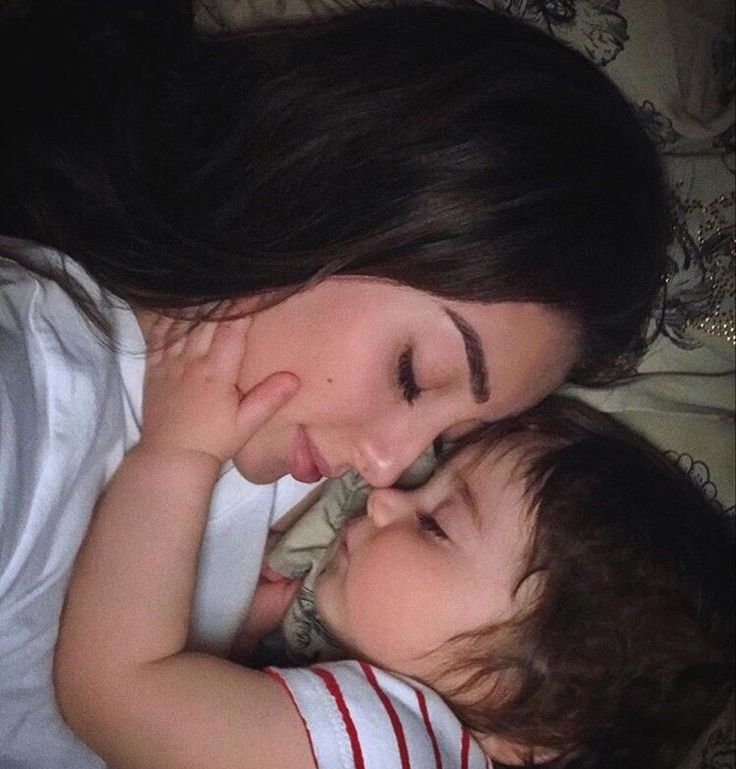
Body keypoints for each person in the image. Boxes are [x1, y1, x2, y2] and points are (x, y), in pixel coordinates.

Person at [0, 1, 670, 766]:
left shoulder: (262, 436)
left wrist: (216, 637)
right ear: (331, 190)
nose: (382, 469)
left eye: (446, 440)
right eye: (413, 375)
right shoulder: (27, 402)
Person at [54, 317, 735, 769]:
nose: (383, 495)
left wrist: (178, 453)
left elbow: (106, 690)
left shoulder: (385, 746)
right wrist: (215, 652)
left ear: (545, 718)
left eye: (437, 524)